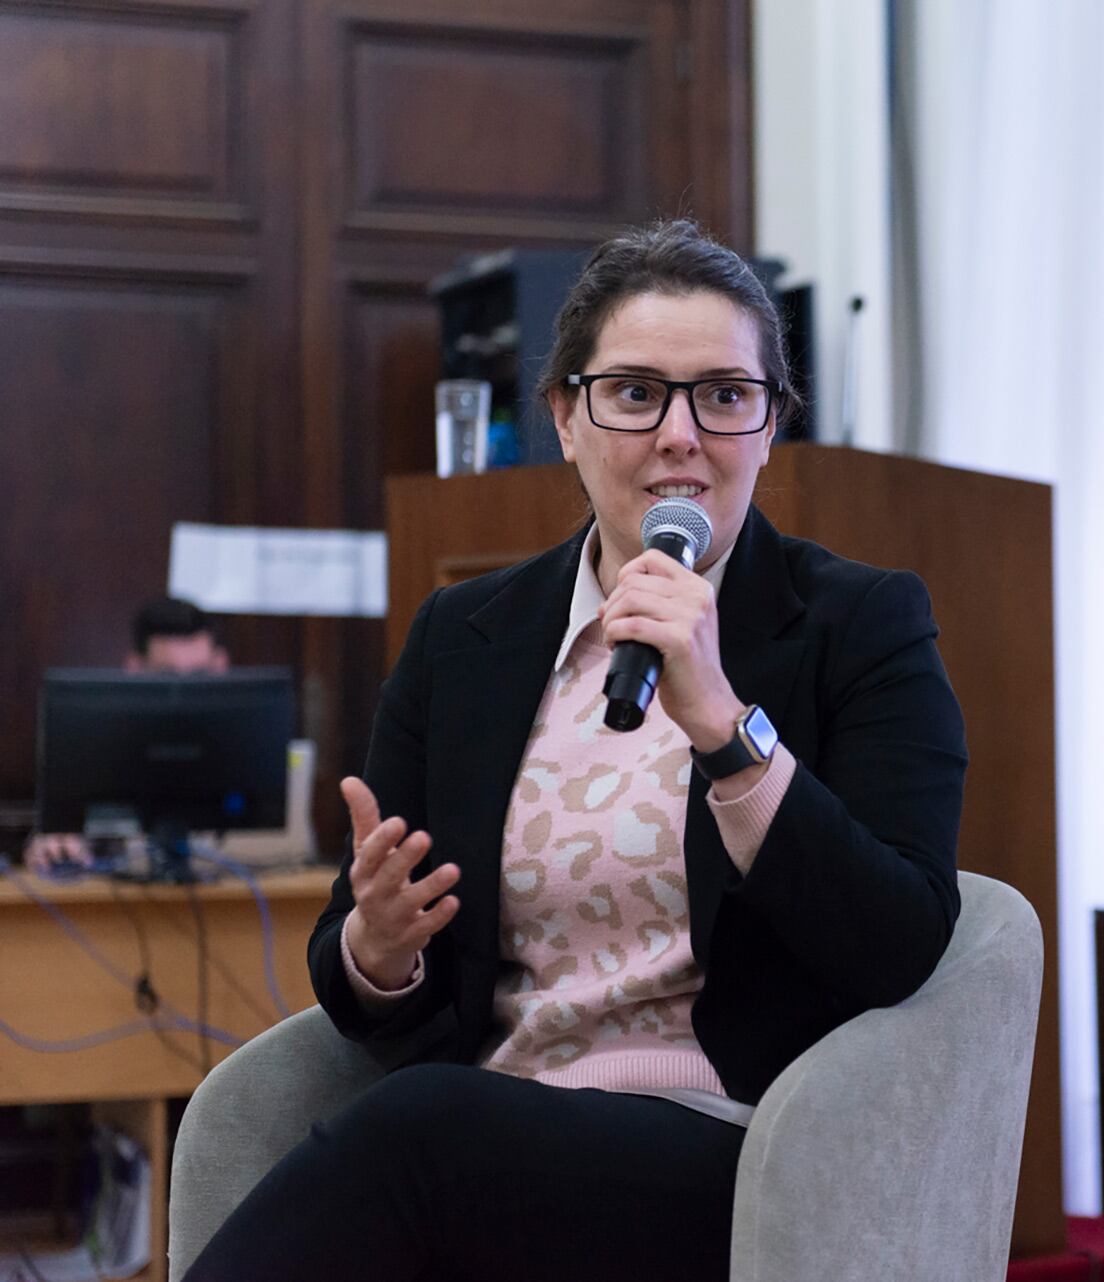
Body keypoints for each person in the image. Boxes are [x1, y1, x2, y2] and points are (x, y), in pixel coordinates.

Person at [183, 221, 967, 1281]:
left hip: (741, 1144)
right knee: (429, 1132)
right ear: (564, 415)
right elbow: (361, 967)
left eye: (726, 396)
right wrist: (380, 945)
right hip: (496, 1125)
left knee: (422, 1135)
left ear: (771, 426)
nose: (681, 435)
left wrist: (729, 731)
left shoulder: (859, 625)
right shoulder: (464, 638)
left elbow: (901, 936)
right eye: (637, 394)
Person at [22, 598, 231, 872]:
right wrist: (55, 846)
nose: (184, 693)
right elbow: (55, 838)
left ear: (221, 664)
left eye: (199, 674)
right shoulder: (91, 747)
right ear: (135, 667)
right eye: (168, 676)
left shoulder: (251, 742)